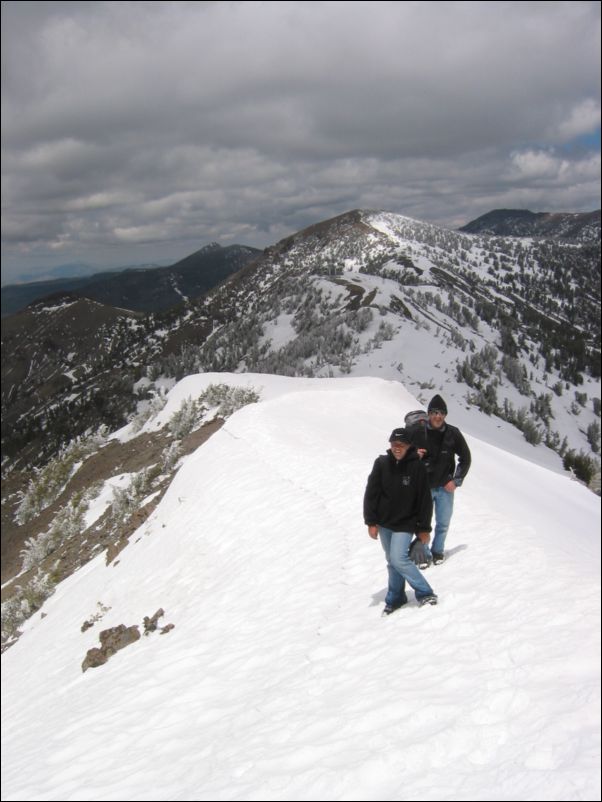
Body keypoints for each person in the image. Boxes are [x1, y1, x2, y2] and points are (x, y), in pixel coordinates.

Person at [363, 427, 438, 614]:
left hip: (406, 523)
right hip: (384, 523)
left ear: (409, 446)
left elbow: (424, 500)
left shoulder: (417, 466)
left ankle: (425, 592)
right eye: (394, 444)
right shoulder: (381, 464)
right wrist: (371, 522)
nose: (397, 448)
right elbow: (371, 494)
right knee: (391, 560)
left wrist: (424, 529)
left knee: (398, 558)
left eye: (401, 445)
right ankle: (396, 598)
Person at [409, 394, 471, 565]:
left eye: (441, 413)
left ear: (445, 415)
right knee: (423, 524)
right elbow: (398, 451)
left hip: (445, 487)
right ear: (429, 414)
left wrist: (456, 480)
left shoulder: (453, 433)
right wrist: (414, 455)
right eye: (434, 412)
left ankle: (437, 551)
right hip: (424, 488)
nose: (438, 416)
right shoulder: (417, 432)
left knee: (443, 523)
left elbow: (465, 457)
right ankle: (424, 553)